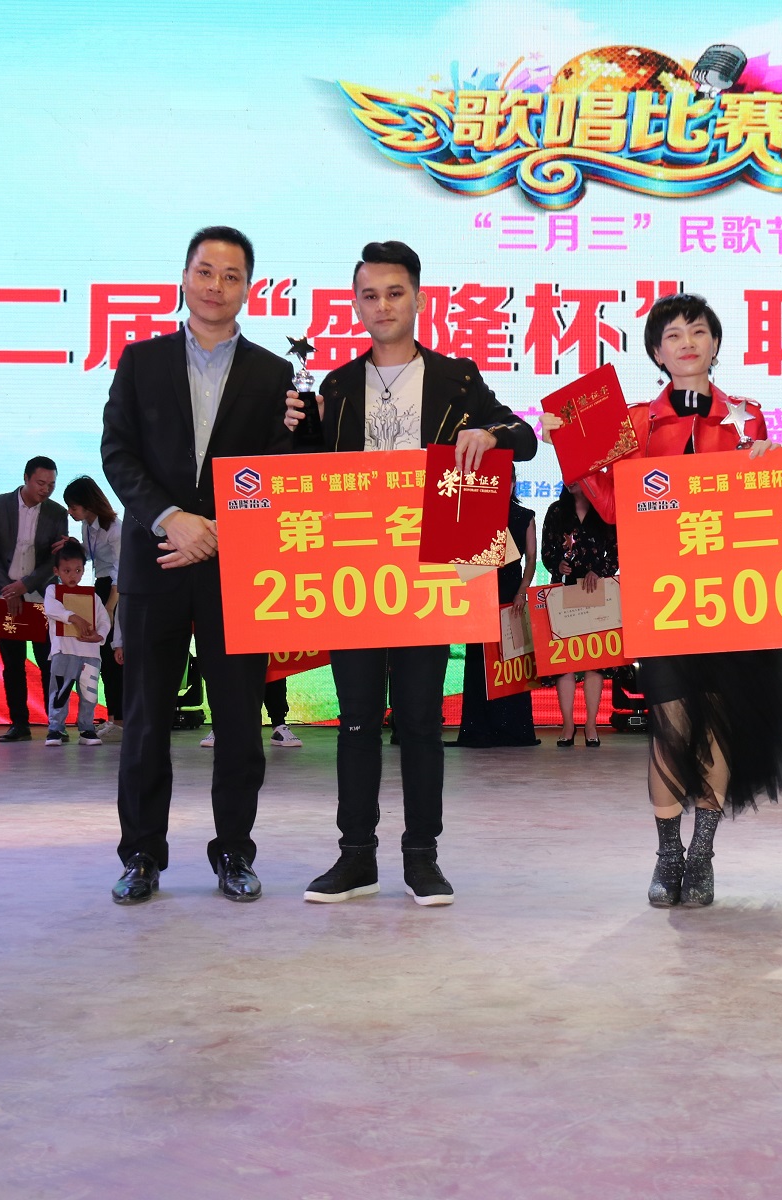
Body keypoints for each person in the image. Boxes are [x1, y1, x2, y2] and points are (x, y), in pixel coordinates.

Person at [283, 240, 538, 907]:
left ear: (419, 299)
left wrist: (493, 435)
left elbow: (526, 437)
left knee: (422, 721)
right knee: (357, 720)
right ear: (355, 303)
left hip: (431, 573)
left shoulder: (457, 378)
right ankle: (355, 857)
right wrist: (292, 431)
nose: (383, 306)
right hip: (358, 573)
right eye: (369, 295)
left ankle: (422, 856)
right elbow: (306, 476)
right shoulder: (336, 387)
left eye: (395, 293)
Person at [566, 291, 782, 908]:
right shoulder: (636, 422)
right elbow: (615, 508)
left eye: (698, 331)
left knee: (718, 725)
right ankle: (667, 853)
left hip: (729, 596)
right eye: (673, 335)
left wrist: (772, 464)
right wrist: (579, 456)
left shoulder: (747, 417)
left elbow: (764, 507)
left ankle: (702, 855)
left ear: (716, 344)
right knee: (671, 726)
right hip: (663, 596)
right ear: (656, 352)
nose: (687, 342)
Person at [101, 225, 295, 905]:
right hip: (155, 558)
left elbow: (276, 467)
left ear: (249, 287)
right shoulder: (140, 360)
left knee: (239, 721)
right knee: (145, 719)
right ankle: (141, 855)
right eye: (205, 271)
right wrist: (171, 518)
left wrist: (216, 532)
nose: (217, 286)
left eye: (231, 275)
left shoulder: (274, 374)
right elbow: (117, 453)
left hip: (236, 568)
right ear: (184, 277)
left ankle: (234, 852)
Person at [0, 456, 68, 742]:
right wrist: (8, 590)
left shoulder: (57, 512)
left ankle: (55, 723)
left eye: (51, 484)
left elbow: (55, 557)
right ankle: (19, 723)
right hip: (2, 596)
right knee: (13, 664)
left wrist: (25, 585)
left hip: (40, 596)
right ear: (26, 478)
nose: (46, 489)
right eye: (41, 483)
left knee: (49, 661)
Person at [456, 495, 542, 748]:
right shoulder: (476, 513)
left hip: (511, 594)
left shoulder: (524, 516)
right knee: (478, 660)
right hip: (481, 592)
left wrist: (522, 591)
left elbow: (531, 559)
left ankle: (514, 729)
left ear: (513, 483)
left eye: (509, 480)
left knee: (512, 659)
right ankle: (477, 729)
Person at [537, 482, 618, 747]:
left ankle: (591, 724)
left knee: (596, 660)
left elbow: (616, 550)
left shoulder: (604, 509)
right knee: (564, 660)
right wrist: (557, 563)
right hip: (564, 590)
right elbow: (546, 551)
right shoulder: (556, 510)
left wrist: (600, 571)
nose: (571, 481)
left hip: (596, 590)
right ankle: (568, 724)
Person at [62, 475, 123, 737]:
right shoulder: (87, 526)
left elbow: (122, 571)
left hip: (116, 591)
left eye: (73, 506)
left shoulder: (115, 528)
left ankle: (121, 720)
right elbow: (89, 554)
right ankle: (113, 718)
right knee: (102, 657)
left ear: (87, 504)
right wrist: (73, 546)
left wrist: (109, 606)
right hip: (99, 587)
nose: (70, 512)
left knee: (115, 654)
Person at [41, 539, 113, 747]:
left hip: (90, 653)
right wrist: (74, 618)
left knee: (89, 694)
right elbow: (51, 608)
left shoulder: (92, 596)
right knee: (60, 692)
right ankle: (55, 728)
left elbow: (104, 620)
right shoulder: (53, 591)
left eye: (78, 570)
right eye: (67, 571)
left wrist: (99, 636)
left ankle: (87, 729)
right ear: (57, 571)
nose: (73, 575)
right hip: (64, 651)